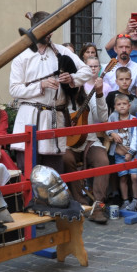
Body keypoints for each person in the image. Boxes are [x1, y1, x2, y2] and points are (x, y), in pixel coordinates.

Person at [9, 11, 93, 170]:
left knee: (53, 173)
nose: (51, 33)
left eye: (52, 29)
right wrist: (40, 85)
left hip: (55, 119)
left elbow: (86, 71)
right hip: (29, 117)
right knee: (29, 171)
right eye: (47, 29)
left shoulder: (61, 51)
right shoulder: (22, 56)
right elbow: (14, 89)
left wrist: (72, 79)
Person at [62, 65, 111, 222]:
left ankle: (98, 206)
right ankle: (81, 203)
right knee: (65, 159)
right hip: (67, 144)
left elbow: (103, 117)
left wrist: (99, 93)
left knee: (103, 161)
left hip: (90, 141)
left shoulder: (89, 99)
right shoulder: (60, 102)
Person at [108, 93, 137, 210]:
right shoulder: (113, 117)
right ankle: (125, 200)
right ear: (115, 107)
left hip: (132, 154)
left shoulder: (134, 120)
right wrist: (112, 133)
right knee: (123, 177)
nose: (122, 106)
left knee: (134, 177)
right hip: (119, 154)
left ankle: (135, 200)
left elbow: (136, 138)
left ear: (129, 105)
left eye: (124, 104)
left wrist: (131, 152)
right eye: (119, 104)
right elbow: (107, 127)